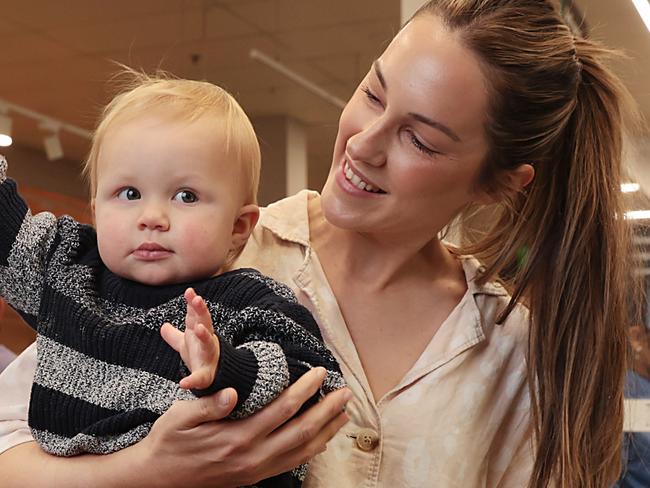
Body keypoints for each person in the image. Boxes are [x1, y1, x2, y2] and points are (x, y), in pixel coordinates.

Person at [0, 0, 640, 486]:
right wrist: (143, 469)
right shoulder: (203, 253)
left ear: (498, 184)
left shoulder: (514, 356)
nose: (363, 143)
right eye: (373, 92)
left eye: (420, 139)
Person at [0, 73, 345, 487]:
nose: (152, 217)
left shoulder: (252, 303)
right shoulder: (71, 272)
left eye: (186, 196)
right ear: (96, 209)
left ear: (238, 227)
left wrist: (226, 367)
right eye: (129, 193)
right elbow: (10, 235)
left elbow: (313, 382)